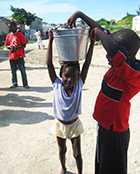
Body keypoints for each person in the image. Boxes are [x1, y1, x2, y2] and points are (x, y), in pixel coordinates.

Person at [67, 11, 140, 174]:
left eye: (110, 52)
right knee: (102, 167)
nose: (107, 55)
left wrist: (99, 33)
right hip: (105, 128)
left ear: (124, 55)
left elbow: (112, 47)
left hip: (115, 134)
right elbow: (103, 34)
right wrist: (80, 15)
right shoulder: (118, 67)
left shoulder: (133, 73)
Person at [46, 29, 95, 174]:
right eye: (66, 76)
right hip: (60, 124)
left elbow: (87, 63)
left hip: (74, 125)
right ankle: (64, 168)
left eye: (73, 77)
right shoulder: (56, 84)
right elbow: (49, 64)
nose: (69, 80)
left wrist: (91, 43)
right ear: (61, 75)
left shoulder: (79, 84)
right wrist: (50, 41)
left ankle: (80, 172)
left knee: (77, 154)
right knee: (62, 151)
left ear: (78, 76)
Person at [5, 21, 29, 88]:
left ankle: (25, 84)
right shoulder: (8, 35)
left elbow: (24, 45)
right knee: (13, 71)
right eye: (9, 27)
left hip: (19, 55)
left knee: (22, 70)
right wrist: (10, 47)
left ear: (15, 27)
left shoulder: (20, 34)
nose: (10, 28)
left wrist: (17, 47)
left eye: (11, 26)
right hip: (12, 56)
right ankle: (14, 83)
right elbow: (6, 45)